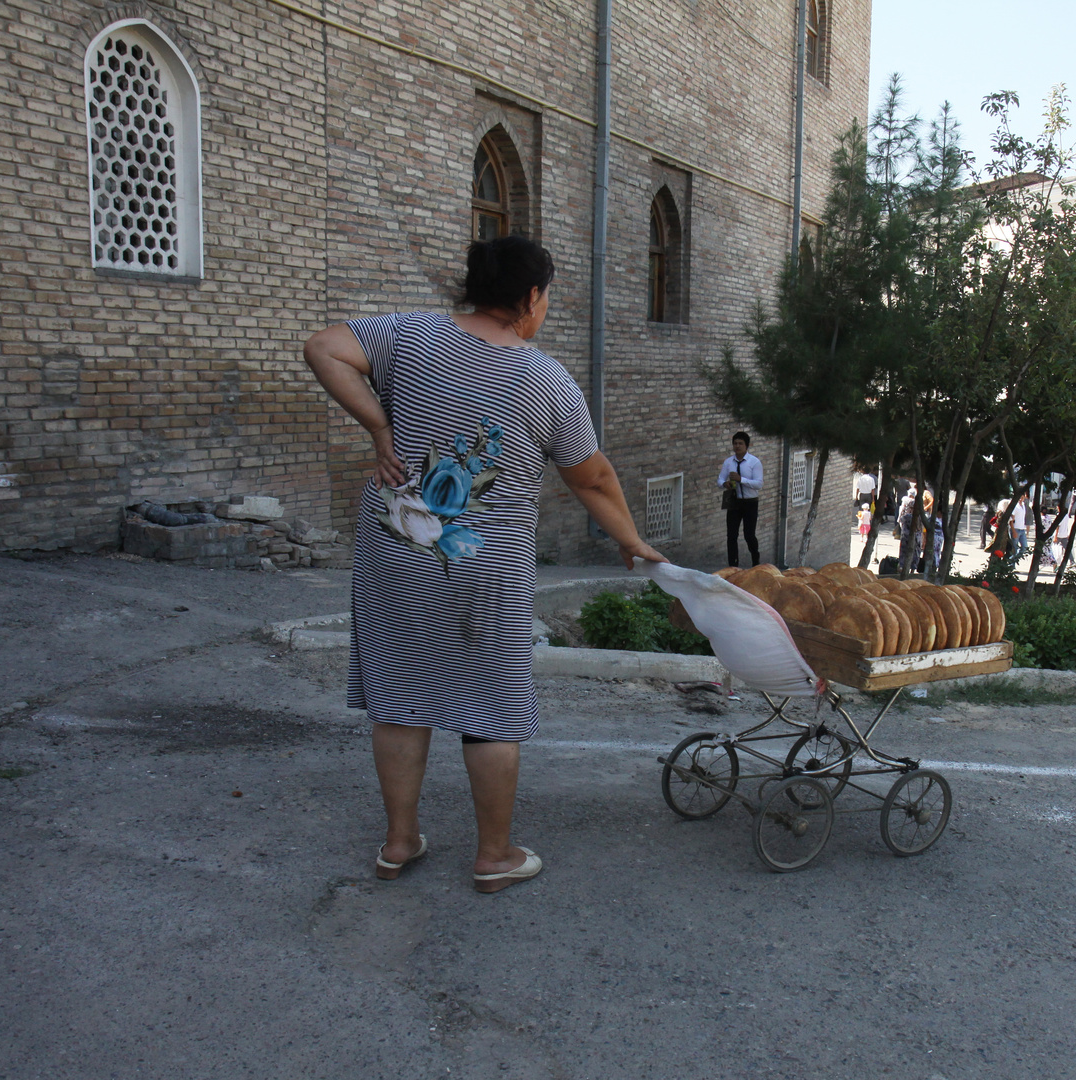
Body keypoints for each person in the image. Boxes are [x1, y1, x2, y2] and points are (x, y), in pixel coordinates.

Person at [303, 234, 666, 893]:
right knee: (490, 703)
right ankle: (493, 855)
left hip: (395, 540)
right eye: (547, 294)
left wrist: (381, 428)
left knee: (399, 694)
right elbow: (593, 479)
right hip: (484, 562)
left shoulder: (406, 335)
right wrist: (632, 540)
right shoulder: (547, 380)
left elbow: (322, 348)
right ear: (530, 297)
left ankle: (398, 841)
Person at [717, 431, 763, 567]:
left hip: (750, 502)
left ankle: (756, 561)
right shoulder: (728, 462)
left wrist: (741, 479)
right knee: (731, 535)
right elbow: (720, 479)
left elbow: (759, 484)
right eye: (735, 443)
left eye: (740, 443)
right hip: (734, 501)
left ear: (746, 446)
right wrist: (724, 484)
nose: (737, 446)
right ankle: (733, 565)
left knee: (749, 535)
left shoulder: (754, 462)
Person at [1009, 492, 1030, 560]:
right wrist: (1013, 531)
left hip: (1022, 529)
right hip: (1016, 529)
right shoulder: (1015, 506)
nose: (1020, 499)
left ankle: (1014, 560)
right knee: (1014, 549)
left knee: (1025, 548)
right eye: (1019, 497)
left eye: (1022, 497)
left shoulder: (1023, 505)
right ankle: (1011, 565)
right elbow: (1011, 520)